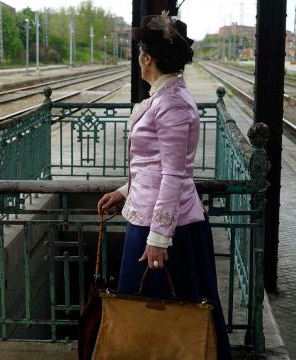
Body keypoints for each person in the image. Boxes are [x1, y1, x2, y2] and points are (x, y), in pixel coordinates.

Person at [96, 12, 232, 359]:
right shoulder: (166, 98)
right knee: (151, 312)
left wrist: (158, 238)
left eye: (140, 54)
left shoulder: (171, 104)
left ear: (146, 58)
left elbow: (174, 174)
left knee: (166, 314)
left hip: (163, 230)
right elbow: (155, 165)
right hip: (151, 218)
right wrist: (124, 192)